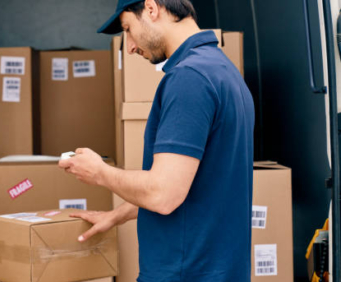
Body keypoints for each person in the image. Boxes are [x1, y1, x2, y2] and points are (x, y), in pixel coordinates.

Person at [58, 0, 255, 281]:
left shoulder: (189, 78)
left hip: (185, 272)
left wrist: (99, 173)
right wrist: (119, 214)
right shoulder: (223, 70)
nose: (130, 46)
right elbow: (198, 182)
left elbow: (164, 195)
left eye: (128, 29)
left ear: (151, 8)